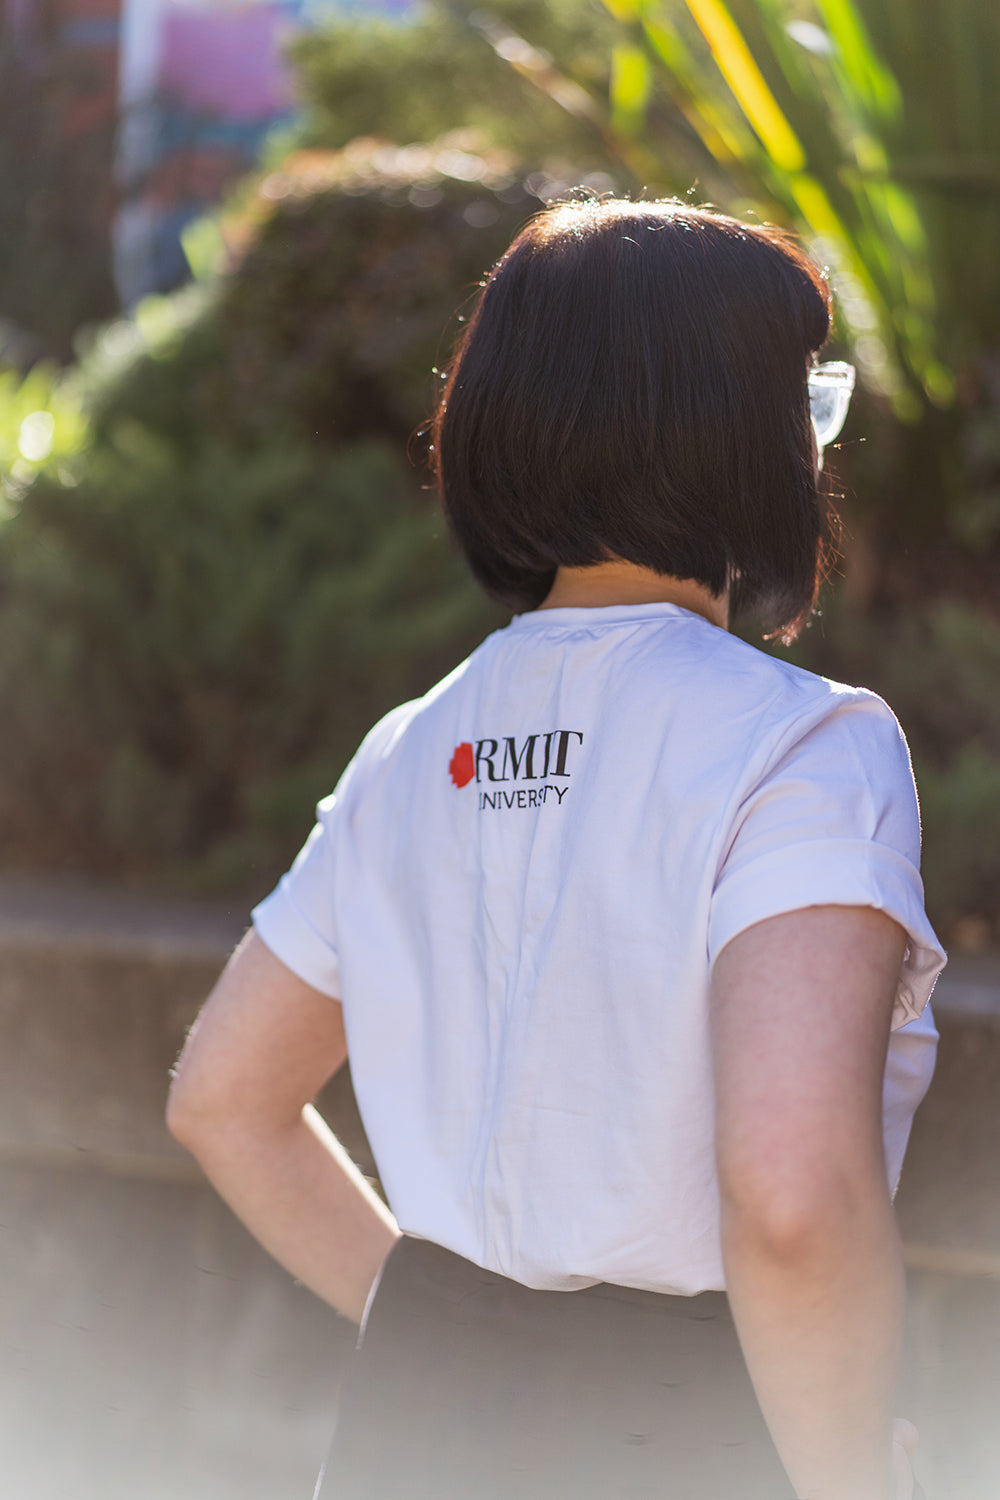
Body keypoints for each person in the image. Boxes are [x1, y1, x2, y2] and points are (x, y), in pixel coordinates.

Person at [167, 198, 945, 1500]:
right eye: (803, 399)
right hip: (692, 1436)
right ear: (739, 429)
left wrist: (440, 1340)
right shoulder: (802, 747)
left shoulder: (413, 746)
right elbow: (794, 1200)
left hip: (411, 1435)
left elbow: (222, 1100)